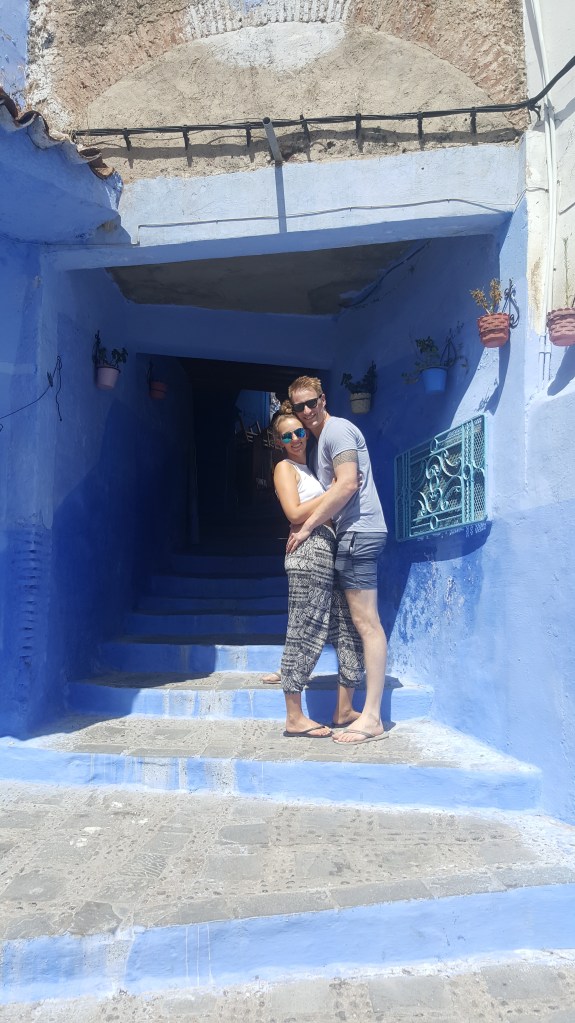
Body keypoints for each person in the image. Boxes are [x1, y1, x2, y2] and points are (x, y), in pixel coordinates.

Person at [285, 376, 388, 745]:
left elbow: (346, 484)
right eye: (299, 406)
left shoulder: (338, 430)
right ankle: (348, 711)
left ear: (323, 399)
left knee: (367, 623)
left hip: (360, 532)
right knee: (355, 624)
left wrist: (307, 526)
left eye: (311, 402)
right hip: (350, 534)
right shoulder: (319, 445)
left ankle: (372, 717)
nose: (307, 411)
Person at [269, 403, 365, 738]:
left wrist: (332, 493)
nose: (296, 438)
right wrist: (335, 492)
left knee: (347, 627)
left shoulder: (309, 469)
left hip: (327, 548)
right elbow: (294, 512)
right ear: (278, 441)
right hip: (308, 551)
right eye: (287, 436)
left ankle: (344, 708)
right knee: (305, 628)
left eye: (299, 432)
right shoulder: (284, 468)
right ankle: (294, 716)